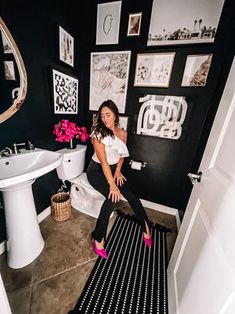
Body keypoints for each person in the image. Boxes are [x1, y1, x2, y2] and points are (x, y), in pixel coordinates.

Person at [86, 99, 152, 259]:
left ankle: (146, 228)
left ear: (115, 115)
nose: (105, 118)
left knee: (132, 196)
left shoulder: (122, 133)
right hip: (96, 171)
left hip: (113, 170)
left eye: (108, 114)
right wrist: (112, 185)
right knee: (112, 198)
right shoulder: (97, 134)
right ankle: (98, 238)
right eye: (102, 115)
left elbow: (122, 154)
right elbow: (103, 162)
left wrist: (118, 170)